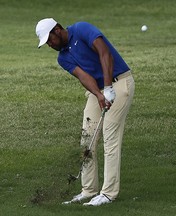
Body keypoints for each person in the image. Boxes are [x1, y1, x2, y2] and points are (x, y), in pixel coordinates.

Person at [35, 18, 135, 206]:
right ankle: (89, 190)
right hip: (98, 89)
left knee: (110, 136)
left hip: (120, 82)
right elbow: (84, 76)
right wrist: (99, 94)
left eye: (49, 39)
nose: (49, 44)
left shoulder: (81, 29)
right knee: (87, 138)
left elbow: (105, 54)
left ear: (57, 30)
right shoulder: (62, 58)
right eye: (46, 43)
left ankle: (108, 193)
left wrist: (107, 88)